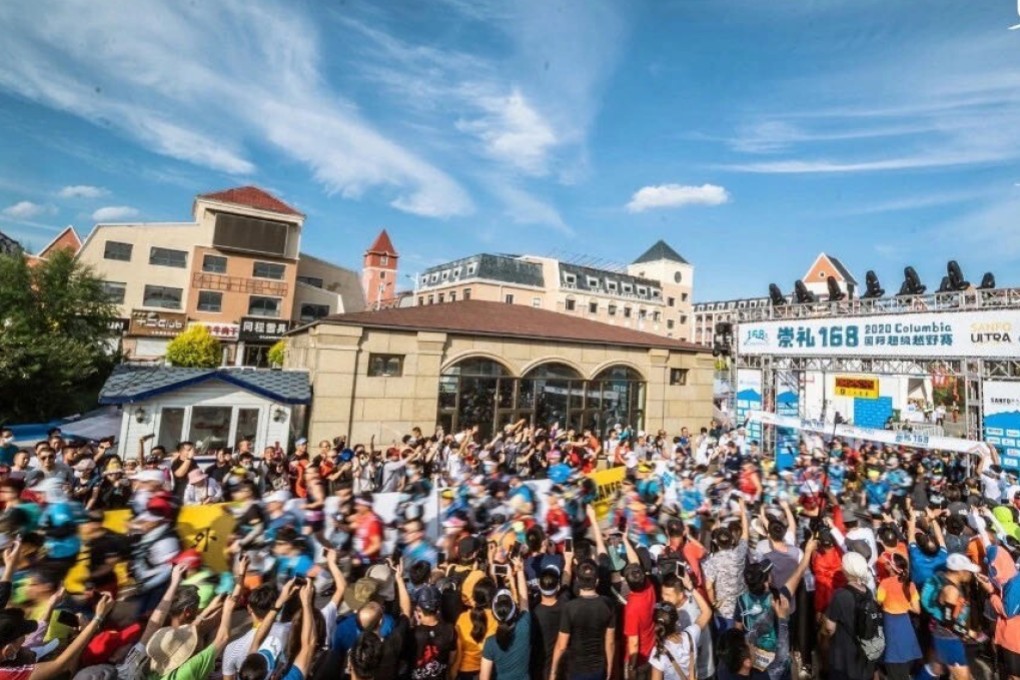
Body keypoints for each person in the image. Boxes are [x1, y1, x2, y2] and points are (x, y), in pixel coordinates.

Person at [549, 560, 615, 680]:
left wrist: (553, 671)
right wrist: (610, 665)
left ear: (578, 581)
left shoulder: (570, 607)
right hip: (598, 668)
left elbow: (561, 645)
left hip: (576, 669)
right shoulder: (608, 604)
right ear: (597, 581)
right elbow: (609, 642)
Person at [821, 552, 877, 680]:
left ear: (846, 570)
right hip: (864, 658)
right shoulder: (868, 593)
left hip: (844, 659)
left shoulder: (840, 595)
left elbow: (830, 628)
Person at [481, 556, 530, 680]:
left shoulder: (490, 643)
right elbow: (524, 599)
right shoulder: (524, 626)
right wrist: (519, 571)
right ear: (514, 611)